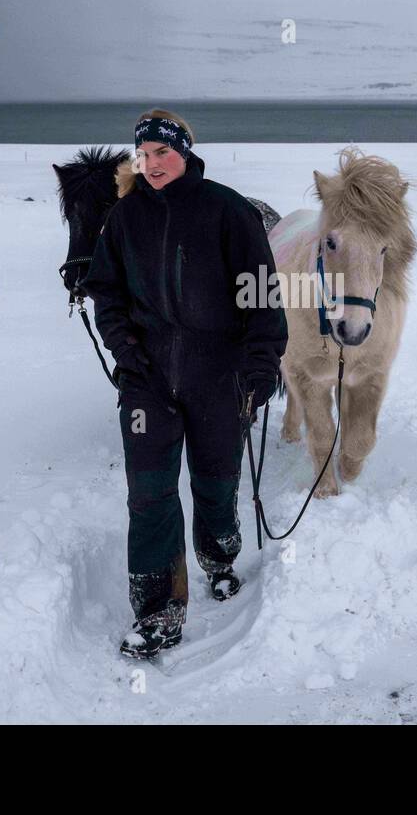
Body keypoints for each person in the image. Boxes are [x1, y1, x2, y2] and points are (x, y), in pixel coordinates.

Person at [80, 109, 288, 658]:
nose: (151, 165)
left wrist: (260, 366)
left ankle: (219, 557)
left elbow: (261, 294)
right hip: (147, 380)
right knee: (149, 496)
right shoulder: (125, 219)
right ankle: (158, 611)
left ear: (185, 152)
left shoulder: (227, 211)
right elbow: (106, 291)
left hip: (218, 375)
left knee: (215, 480)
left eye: (162, 153)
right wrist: (126, 350)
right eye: (143, 155)